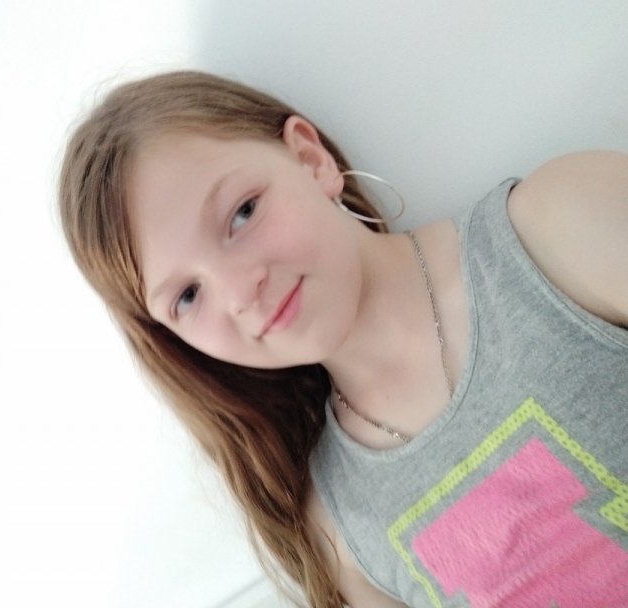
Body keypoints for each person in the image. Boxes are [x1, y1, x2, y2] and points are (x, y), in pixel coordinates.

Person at [57, 71, 628, 608]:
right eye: (187, 296)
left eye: (243, 213)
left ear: (311, 160)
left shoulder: (558, 227)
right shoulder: (339, 529)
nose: (239, 291)